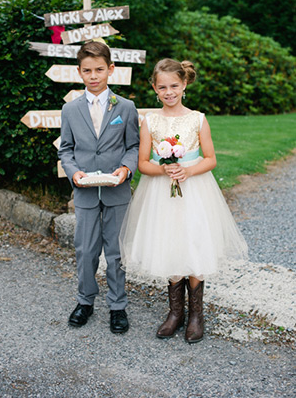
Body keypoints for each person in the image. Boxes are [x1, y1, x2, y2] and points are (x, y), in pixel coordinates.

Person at [120, 58, 248, 343]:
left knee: (194, 243)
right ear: (154, 88)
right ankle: (175, 313)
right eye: (162, 87)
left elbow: (211, 159)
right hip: (160, 194)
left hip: (194, 192)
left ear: (184, 84)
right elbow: (143, 163)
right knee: (170, 244)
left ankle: (195, 316)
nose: (169, 92)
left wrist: (187, 170)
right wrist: (164, 168)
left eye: (174, 86)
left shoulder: (197, 119)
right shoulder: (149, 121)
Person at [58, 41, 139, 333]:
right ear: (79, 73)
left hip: (117, 190)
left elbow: (133, 146)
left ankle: (118, 306)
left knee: (116, 250)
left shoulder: (126, 107)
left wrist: (126, 168)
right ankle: (85, 301)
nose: (94, 76)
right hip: (86, 191)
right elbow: (65, 149)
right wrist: (74, 172)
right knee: (85, 248)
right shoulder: (70, 110)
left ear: (111, 70)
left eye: (100, 70)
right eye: (88, 71)